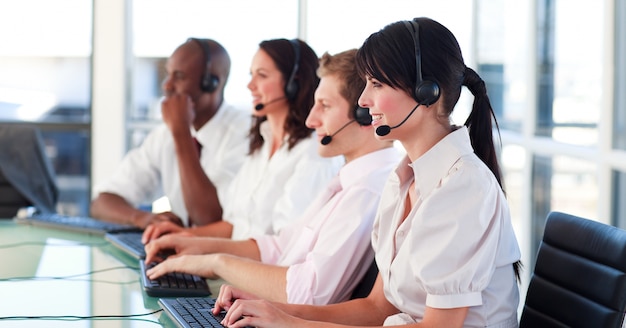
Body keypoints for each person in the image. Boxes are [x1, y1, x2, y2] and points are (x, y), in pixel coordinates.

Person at [215, 17, 523, 328]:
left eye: (376, 84)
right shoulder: (401, 181)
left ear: (426, 92)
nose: (363, 101)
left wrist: (290, 324)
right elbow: (378, 308)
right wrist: (275, 310)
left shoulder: (463, 188)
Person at [143, 49, 400, 305]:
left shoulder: (367, 190)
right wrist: (198, 246)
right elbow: (280, 246)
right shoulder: (346, 181)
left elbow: (308, 293)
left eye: (324, 105)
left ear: (366, 113)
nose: (312, 120)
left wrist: (216, 262)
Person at [142, 38, 343, 241]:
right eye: (251, 75)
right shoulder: (260, 146)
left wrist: (210, 256)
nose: (250, 85)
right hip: (233, 264)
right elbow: (234, 227)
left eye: (262, 76)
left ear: (294, 83)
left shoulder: (312, 154)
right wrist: (182, 236)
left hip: (253, 270)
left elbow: (284, 248)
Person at [90, 38, 250, 229]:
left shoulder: (245, 134)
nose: (167, 85)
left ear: (211, 82)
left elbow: (209, 218)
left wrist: (182, 132)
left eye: (179, 76)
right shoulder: (164, 135)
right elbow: (101, 203)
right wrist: (142, 218)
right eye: (168, 74)